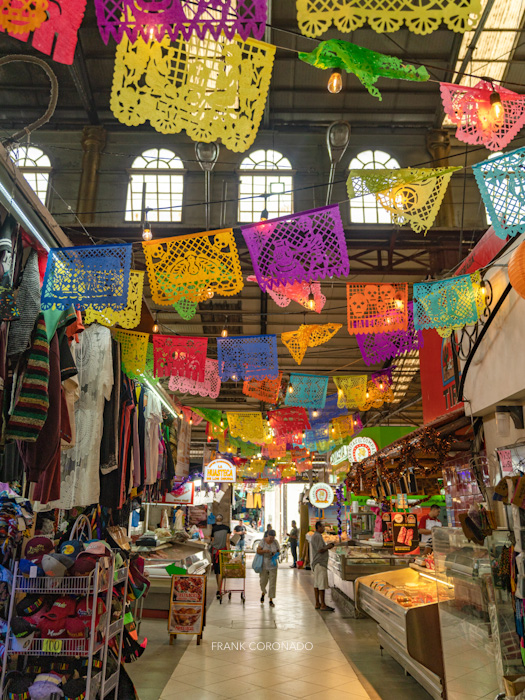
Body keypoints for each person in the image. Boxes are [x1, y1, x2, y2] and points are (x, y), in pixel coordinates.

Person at [309, 521, 335, 612]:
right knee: (321, 585)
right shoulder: (318, 536)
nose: (324, 528)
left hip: (316, 563)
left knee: (317, 584)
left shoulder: (315, 536)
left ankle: (317, 603)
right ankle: (323, 604)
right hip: (320, 563)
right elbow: (320, 549)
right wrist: (329, 546)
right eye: (323, 527)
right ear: (318, 527)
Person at [257, 529, 280, 607]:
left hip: (273, 565)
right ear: (267, 536)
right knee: (263, 581)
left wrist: (276, 553)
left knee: (272, 583)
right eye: (270, 538)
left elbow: (278, 551)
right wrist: (265, 551)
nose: (271, 539)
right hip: (264, 564)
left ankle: (271, 600)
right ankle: (263, 593)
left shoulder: (275, 542)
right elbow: (258, 551)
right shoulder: (262, 541)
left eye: (273, 538)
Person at [209, 514, 230, 597]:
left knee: (217, 571)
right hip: (223, 552)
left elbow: (213, 542)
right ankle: (219, 589)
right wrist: (228, 553)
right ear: (222, 519)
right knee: (221, 571)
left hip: (215, 552)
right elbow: (227, 541)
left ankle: (218, 588)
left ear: (216, 520)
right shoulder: (227, 528)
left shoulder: (214, 529)